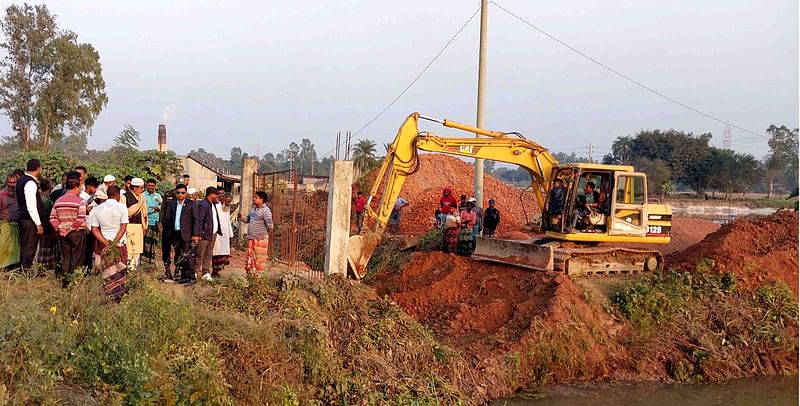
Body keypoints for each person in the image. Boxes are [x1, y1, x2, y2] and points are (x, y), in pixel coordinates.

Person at [90, 186, 130, 301]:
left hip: (104, 244)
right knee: (120, 268)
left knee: (108, 270)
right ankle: (120, 294)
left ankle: (109, 293)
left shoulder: (98, 209)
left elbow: (94, 229)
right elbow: (123, 227)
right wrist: (115, 242)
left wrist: (105, 242)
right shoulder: (122, 208)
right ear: (117, 195)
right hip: (119, 244)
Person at [50, 177, 87, 287]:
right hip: (76, 232)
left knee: (66, 258)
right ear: (76, 187)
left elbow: (52, 217)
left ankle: (65, 283)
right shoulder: (80, 201)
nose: (80, 190)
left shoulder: (58, 201)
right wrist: (70, 228)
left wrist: (59, 228)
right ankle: (74, 283)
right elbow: (80, 218)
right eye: (80, 187)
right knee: (77, 258)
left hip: (62, 234)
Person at [160, 184, 196, 283]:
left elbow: (196, 220)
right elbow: (167, 216)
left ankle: (192, 277)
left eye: (183, 193)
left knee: (186, 255)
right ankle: (183, 277)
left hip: (186, 234)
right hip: (174, 233)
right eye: (178, 193)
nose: (180, 195)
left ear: (186, 193)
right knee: (179, 255)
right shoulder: (172, 204)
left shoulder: (191, 204)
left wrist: (196, 234)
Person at [240, 191, 274, 277]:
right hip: (251, 238)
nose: (254, 199)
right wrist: (241, 217)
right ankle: (251, 276)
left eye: (256, 198)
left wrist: (262, 234)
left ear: (262, 200)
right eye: (254, 197)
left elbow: (270, 226)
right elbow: (248, 220)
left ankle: (258, 277)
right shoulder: (253, 209)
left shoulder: (266, 211)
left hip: (260, 239)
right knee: (251, 257)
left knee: (259, 259)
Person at [193, 186, 221, 282]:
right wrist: (198, 233)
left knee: (208, 254)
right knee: (200, 254)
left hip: (212, 233)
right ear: (211, 194)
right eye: (216, 194)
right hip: (204, 234)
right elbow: (199, 220)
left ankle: (205, 272)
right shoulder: (203, 204)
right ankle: (195, 272)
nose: (217, 196)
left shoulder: (212, 204)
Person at [120, 177, 147, 270]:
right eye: (141, 188)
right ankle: (128, 269)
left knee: (137, 250)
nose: (142, 190)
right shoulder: (124, 196)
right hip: (129, 226)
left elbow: (144, 213)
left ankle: (133, 269)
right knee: (129, 250)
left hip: (139, 226)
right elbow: (124, 213)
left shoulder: (141, 198)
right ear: (134, 187)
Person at [36, 179, 61, 272]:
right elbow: (49, 216)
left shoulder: (40, 197)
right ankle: (44, 268)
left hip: (42, 226)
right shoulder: (46, 200)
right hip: (47, 227)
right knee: (47, 248)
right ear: (50, 188)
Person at [0, 173, 20, 269]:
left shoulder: (20, 194)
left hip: (18, 224)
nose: (12, 184)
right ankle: (3, 267)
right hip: (5, 224)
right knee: (4, 247)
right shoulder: (2, 194)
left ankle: (14, 267)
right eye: (10, 182)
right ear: (7, 182)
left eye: (14, 182)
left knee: (15, 248)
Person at [212, 191, 233, 277]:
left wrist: (230, 234)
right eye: (227, 201)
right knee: (216, 253)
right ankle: (215, 271)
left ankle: (218, 271)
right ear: (223, 199)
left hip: (225, 234)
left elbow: (228, 221)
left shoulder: (227, 208)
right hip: (217, 233)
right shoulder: (216, 207)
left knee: (223, 253)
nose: (228, 203)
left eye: (230, 202)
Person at [142, 178, 162, 265]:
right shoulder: (142, 196)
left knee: (153, 244)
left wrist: (158, 209)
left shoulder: (158, 196)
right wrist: (152, 210)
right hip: (146, 222)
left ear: (155, 186)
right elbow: (142, 209)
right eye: (149, 185)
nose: (151, 187)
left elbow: (162, 206)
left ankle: (152, 263)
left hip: (155, 223)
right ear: (146, 185)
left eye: (152, 186)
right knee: (145, 243)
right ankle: (144, 263)